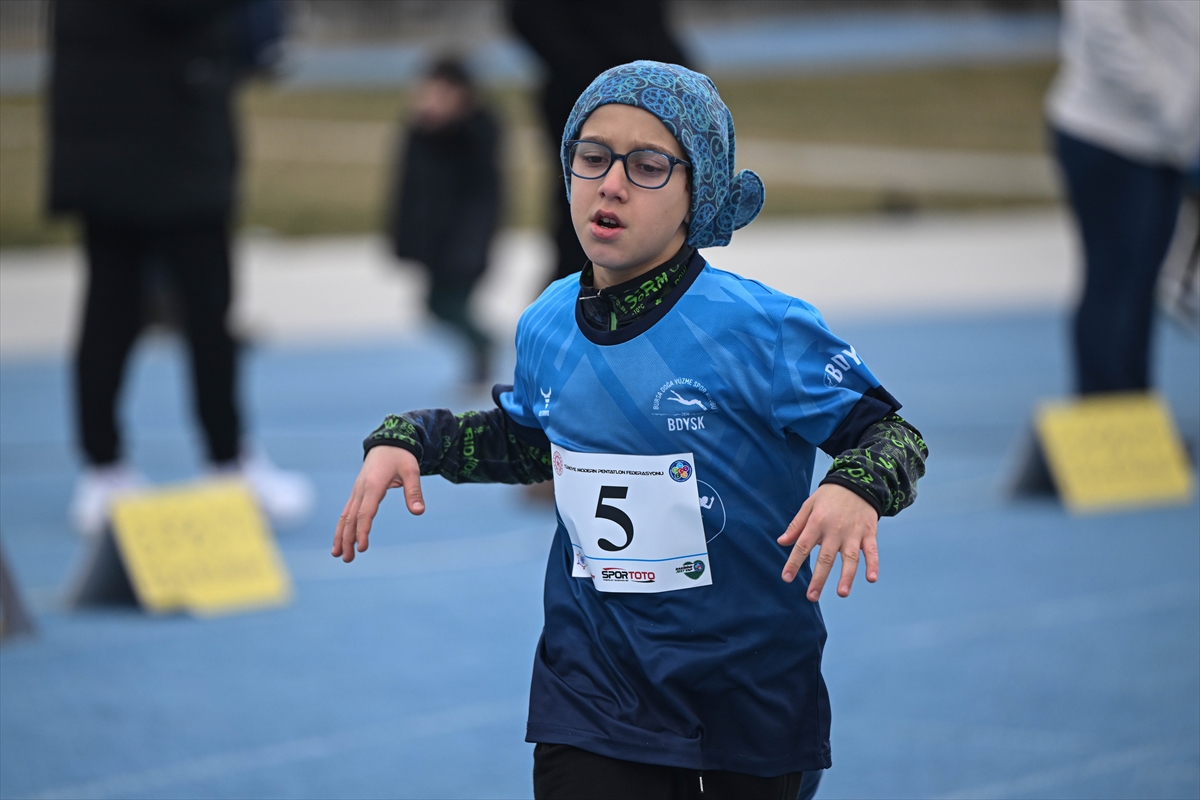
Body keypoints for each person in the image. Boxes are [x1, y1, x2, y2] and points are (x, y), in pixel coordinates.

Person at [334, 62, 928, 800]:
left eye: (647, 166)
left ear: (696, 192)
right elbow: (528, 440)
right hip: (596, 687)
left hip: (749, 685)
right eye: (592, 157)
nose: (610, 184)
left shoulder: (761, 328)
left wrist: (855, 488)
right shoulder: (548, 320)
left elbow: (892, 437)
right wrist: (412, 438)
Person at [48, 0, 313, 536]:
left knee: (134, 307)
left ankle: (138, 464)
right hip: (156, 135)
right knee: (165, 309)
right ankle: (194, 463)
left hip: (131, 132)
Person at [1046, 0, 1200, 394]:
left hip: (1167, 142)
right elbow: (1100, 20)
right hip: (1110, 136)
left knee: (1139, 288)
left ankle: (1134, 419)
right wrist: (1167, 101)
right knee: (1113, 285)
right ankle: (1104, 420)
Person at [508, 0, 688, 285]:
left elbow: (652, 19)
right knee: (586, 192)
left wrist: (673, 74)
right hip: (579, 91)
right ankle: (579, 292)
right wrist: (589, 75)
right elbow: (526, 15)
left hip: (653, 87)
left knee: (656, 186)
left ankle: (656, 284)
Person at [387, 57, 501, 386]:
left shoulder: (475, 128)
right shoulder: (421, 130)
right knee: (437, 305)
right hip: (434, 235)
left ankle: (482, 348)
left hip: (464, 236)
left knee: (446, 303)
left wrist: (441, 124)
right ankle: (479, 354)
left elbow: (473, 170)